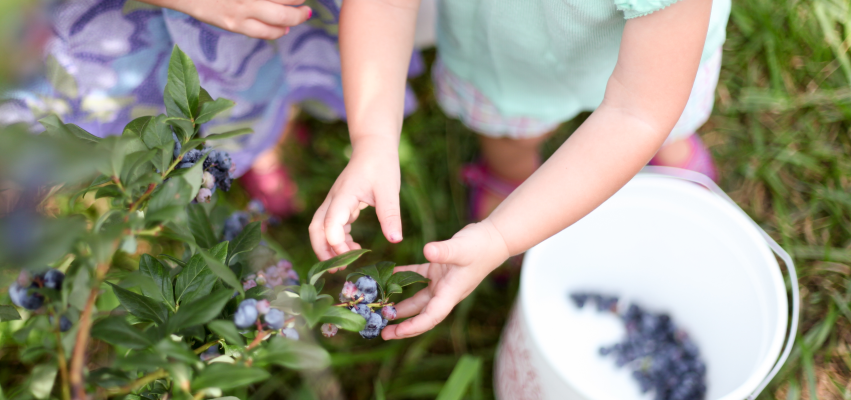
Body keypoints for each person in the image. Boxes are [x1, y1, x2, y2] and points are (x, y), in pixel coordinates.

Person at [309, 0, 730, 340]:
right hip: (505, 65)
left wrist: (500, 235)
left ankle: (669, 147)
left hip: (659, 61)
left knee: (663, 121)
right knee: (510, 137)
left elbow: (637, 113)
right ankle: (511, 177)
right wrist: (374, 140)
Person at [0, 0, 422, 217]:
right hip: (122, 24)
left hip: (254, 41)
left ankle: (260, 139)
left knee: (253, 85)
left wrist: (375, 141)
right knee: (126, 109)